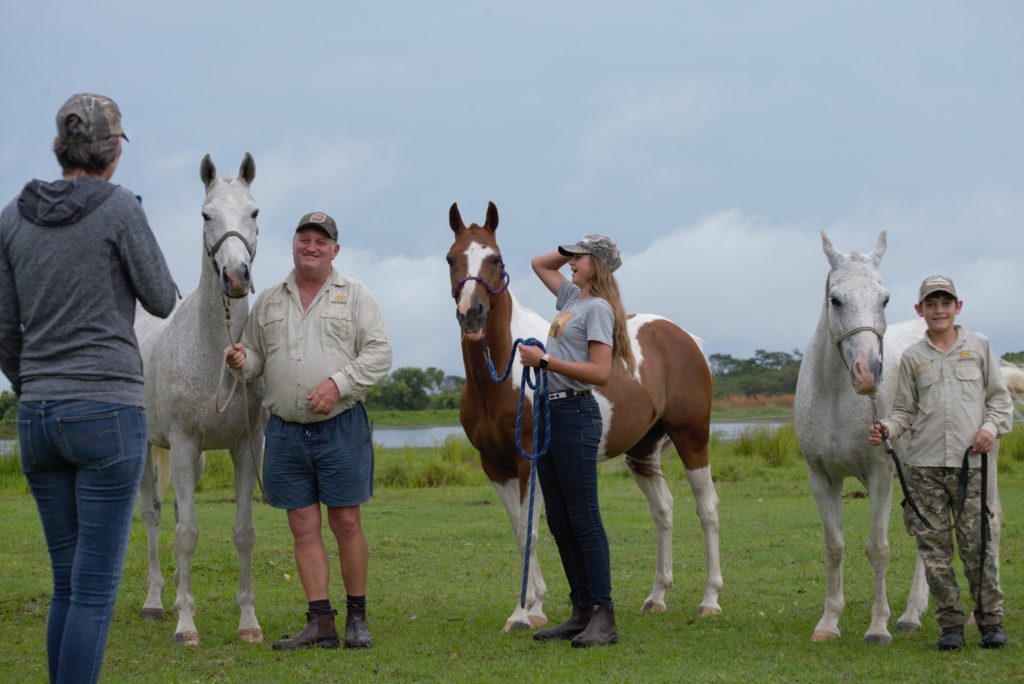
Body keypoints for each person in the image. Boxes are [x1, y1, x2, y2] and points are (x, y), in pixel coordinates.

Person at [0, 93, 177, 683]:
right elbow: (160, 297)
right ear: (111, 150)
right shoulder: (121, 209)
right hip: (107, 414)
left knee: (67, 585)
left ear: (62, 148)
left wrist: (33, 386)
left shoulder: (12, 217)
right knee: (95, 592)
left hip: (37, 417)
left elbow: (3, 328)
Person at [225, 211, 391, 650]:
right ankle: (321, 622)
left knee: (347, 522)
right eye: (305, 239)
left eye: (322, 241)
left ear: (335, 250)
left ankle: (357, 617)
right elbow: (258, 358)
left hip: (341, 426)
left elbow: (379, 353)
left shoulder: (355, 296)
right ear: (294, 245)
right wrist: (244, 362)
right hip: (284, 430)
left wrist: (338, 384)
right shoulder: (270, 301)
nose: (312, 247)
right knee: (302, 524)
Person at [869, 275, 1013, 651]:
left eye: (945, 302)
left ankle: (990, 622)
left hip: (972, 466)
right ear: (920, 311)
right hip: (925, 470)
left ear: (958, 307)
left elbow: (1000, 400)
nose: (939, 310)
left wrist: (990, 428)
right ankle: (950, 627)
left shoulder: (979, 346)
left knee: (977, 549)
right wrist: (886, 426)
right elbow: (904, 411)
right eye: (931, 304)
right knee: (935, 556)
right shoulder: (912, 358)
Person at [518, 234, 634, 648]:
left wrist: (545, 361)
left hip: (574, 413)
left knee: (583, 517)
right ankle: (581, 610)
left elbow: (601, 372)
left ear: (597, 265)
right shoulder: (571, 298)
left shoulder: (598, 308)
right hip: (550, 412)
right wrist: (573, 247)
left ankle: (604, 614)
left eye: (580, 258)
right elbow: (539, 262)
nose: (570, 263)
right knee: (560, 520)